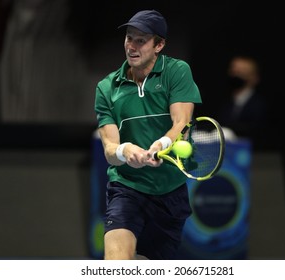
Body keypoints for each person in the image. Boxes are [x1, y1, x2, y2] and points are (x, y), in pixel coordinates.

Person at [94, 10, 202, 260]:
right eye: (128, 38)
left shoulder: (177, 71)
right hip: (127, 189)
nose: (131, 46)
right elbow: (110, 148)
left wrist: (162, 143)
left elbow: (182, 121)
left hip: (170, 192)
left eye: (140, 40)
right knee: (116, 265)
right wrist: (126, 151)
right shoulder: (106, 88)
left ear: (159, 45)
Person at [217, 55, 268, 140]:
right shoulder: (225, 104)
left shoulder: (260, 106)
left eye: (241, 72)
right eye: (233, 71)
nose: (235, 75)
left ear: (254, 77)